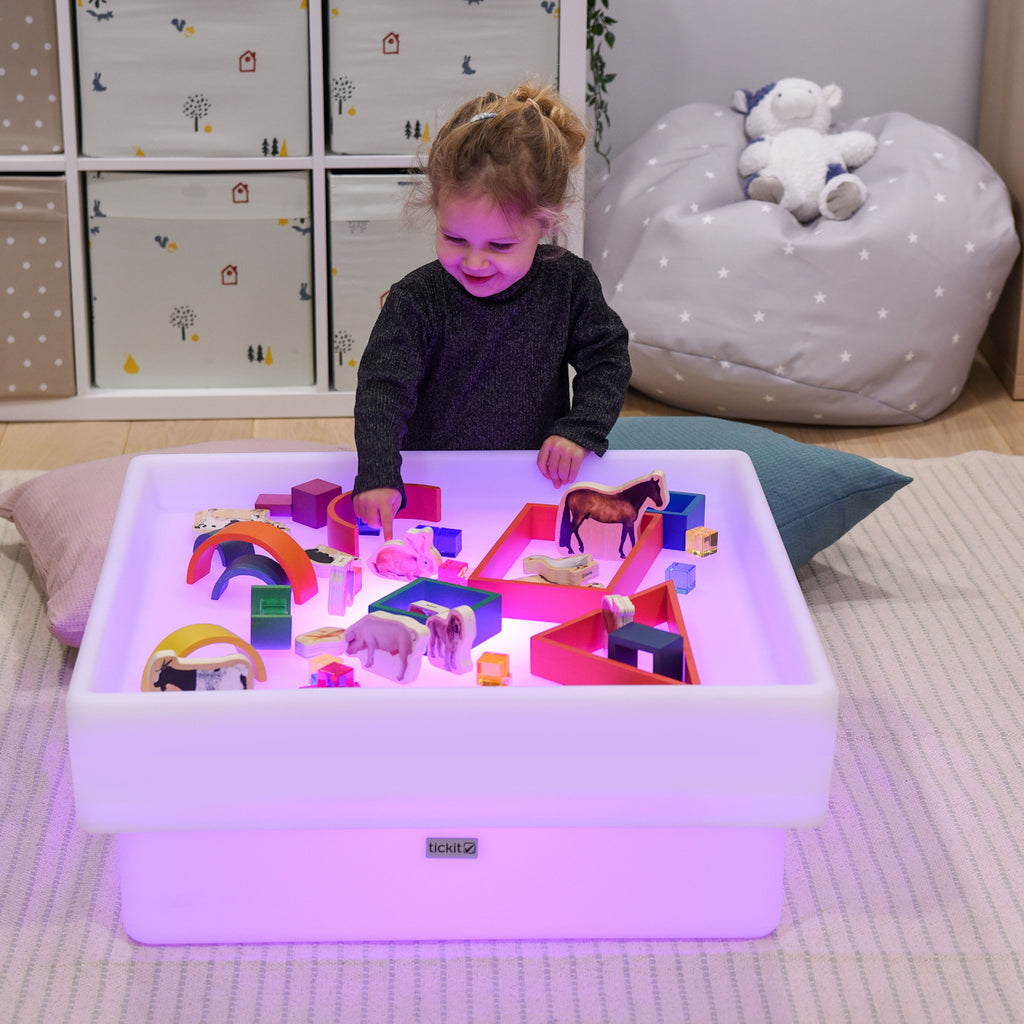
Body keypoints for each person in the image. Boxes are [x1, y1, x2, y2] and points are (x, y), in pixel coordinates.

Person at [352, 82, 632, 539]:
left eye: (500, 245)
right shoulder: (417, 299)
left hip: (533, 480)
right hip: (434, 482)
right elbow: (382, 390)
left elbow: (608, 359)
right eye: (454, 238)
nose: (475, 262)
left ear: (545, 222)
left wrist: (581, 429)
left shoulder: (569, 284)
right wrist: (379, 472)